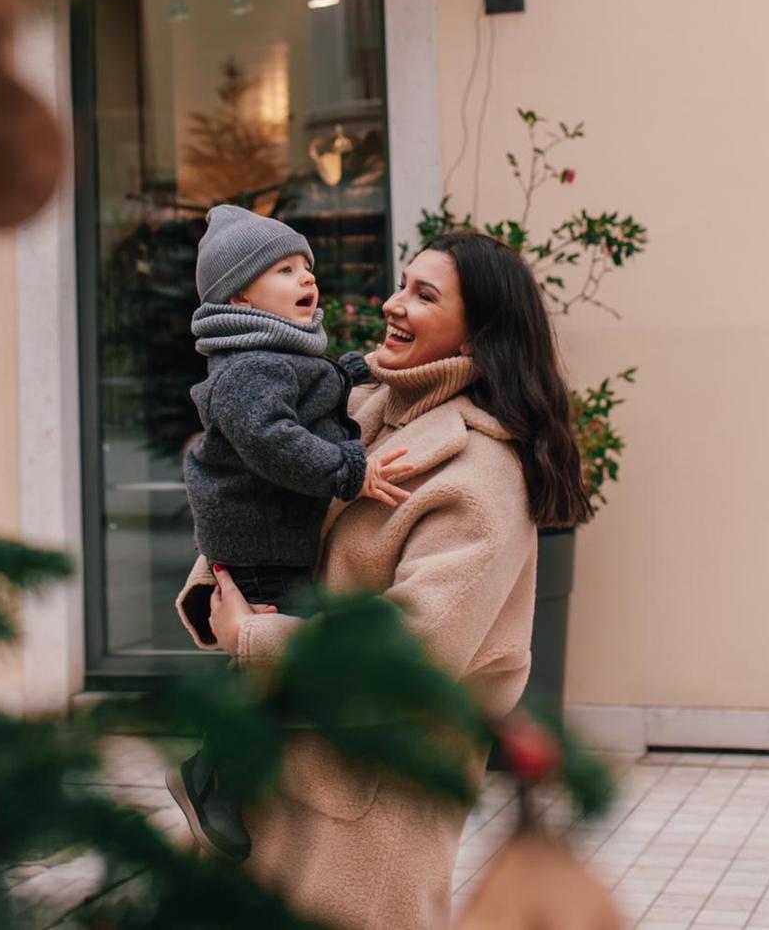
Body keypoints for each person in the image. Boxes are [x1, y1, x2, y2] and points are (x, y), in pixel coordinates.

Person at [177, 229, 592, 930]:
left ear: (477, 333)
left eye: (424, 295)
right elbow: (265, 495)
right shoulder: (362, 405)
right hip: (274, 769)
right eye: (402, 283)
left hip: (368, 804)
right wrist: (225, 581)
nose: (394, 305)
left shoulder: (481, 473)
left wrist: (256, 636)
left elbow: (415, 650)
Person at [169, 204, 414, 862]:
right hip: (256, 544)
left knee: (274, 663)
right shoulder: (250, 367)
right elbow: (269, 437)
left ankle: (216, 766)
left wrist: (360, 369)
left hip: (270, 540)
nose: (306, 277)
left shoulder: (279, 349)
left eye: (306, 264)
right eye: (284, 268)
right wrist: (348, 471)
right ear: (240, 293)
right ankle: (212, 772)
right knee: (278, 665)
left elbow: (318, 388)